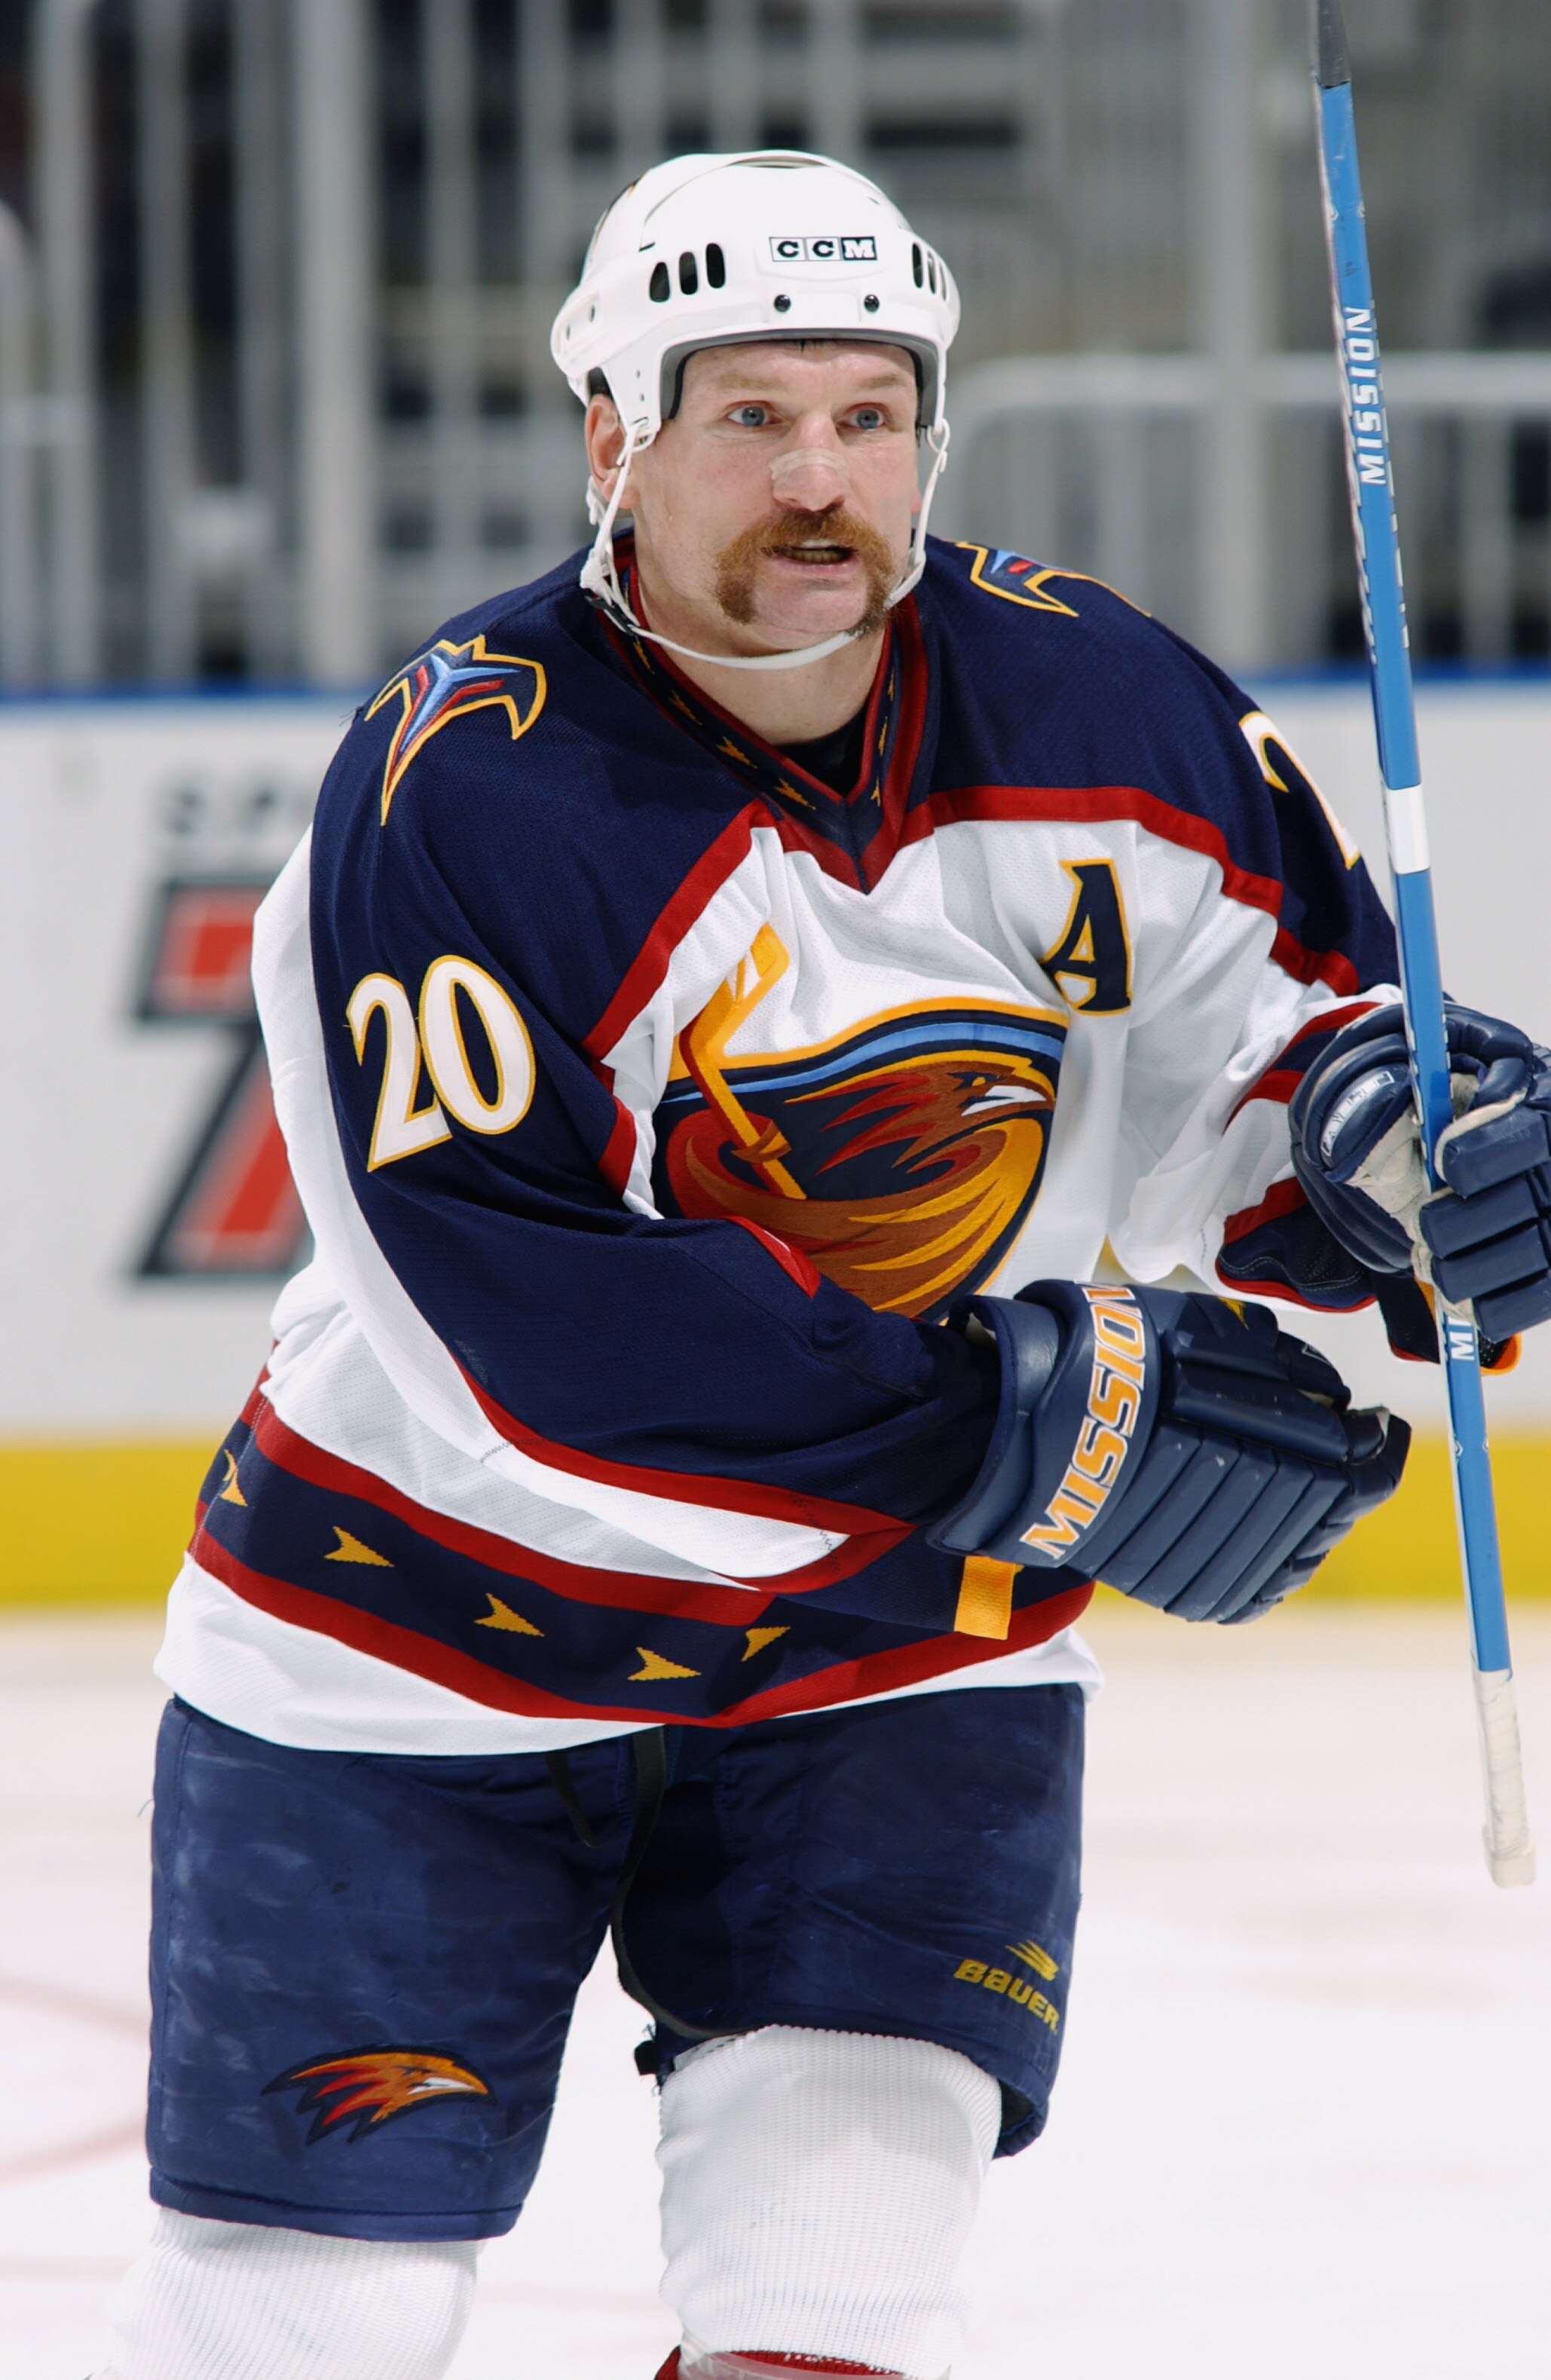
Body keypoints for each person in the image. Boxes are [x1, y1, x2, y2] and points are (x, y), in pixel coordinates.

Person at [99, 152, 1551, 2380]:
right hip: (407, 1641)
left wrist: (1388, 1159)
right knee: (305, 2326)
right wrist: (1009, 1428)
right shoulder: (469, 786)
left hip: (893, 1657)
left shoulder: (1106, 705)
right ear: (611, 436)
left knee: (842, 2292)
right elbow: (526, 1333)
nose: (816, 480)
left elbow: (1258, 1073)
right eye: (747, 417)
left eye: (867, 417)